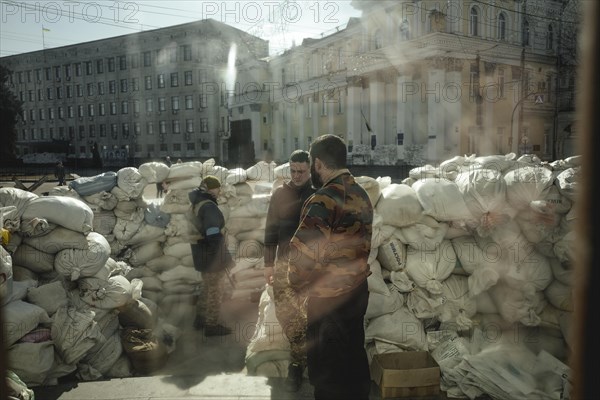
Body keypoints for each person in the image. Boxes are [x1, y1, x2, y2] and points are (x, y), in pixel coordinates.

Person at [287, 134, 373, 400]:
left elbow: (302, 256)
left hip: (328, 300)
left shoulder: (323, 200)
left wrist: (296, 285)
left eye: (312, 163)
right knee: (353, 364)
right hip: (357, 291)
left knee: (328, 376)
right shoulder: (362, 194)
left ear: (319, 163)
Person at [263, 150, 315, 392]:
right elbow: (270, 232)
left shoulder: (316, 195)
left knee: (307, 315)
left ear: (310, 168)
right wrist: (267, 264)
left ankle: (298, 365)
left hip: (307, 267)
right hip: (283, 264)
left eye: (301, 171)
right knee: (286, 312)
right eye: (293, 171)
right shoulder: (279, 195)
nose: (296, 175)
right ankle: (300, 353)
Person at [188, 175, 234, 336]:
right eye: (217, 188)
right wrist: (223, 258)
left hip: (200, 253)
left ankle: (200, 318)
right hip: (211, 254)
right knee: (215, 290)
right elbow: (213, 234)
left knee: (207, 287)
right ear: (210, 188)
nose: (219, 191)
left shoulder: (197, 203)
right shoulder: (208, 206)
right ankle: (211, 325)